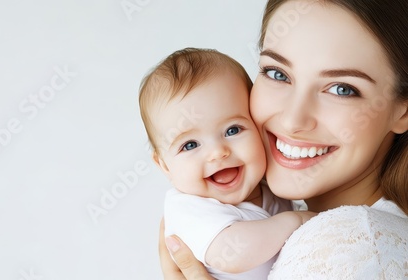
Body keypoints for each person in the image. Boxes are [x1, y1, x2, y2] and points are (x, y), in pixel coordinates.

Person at [159, 0, 408, 279]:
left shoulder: (348, 247)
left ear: (403, 109)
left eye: (342, 89)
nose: (292, 120)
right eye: (277, 74)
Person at [139, 47, 316, 279]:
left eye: (233, 130)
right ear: (164, 166)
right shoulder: (188, 208)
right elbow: (233, 253)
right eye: (190, 145)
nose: (217, 152)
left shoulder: (272, 189)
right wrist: (296, 220)